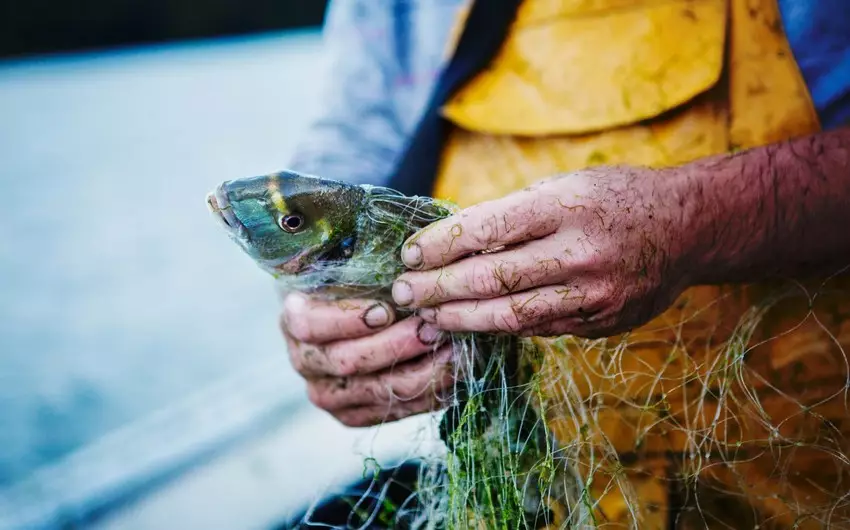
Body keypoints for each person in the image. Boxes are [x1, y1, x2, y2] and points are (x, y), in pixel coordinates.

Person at [281, 0, 850, 527]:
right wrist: (324, 319)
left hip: (817, 463)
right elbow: (345, 154)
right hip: (547, 479)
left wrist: (699, 217)